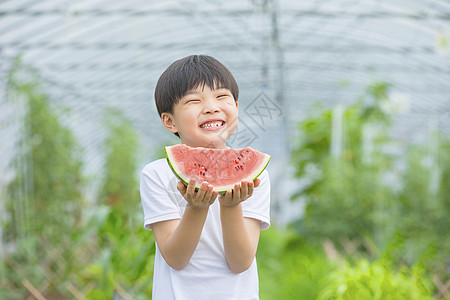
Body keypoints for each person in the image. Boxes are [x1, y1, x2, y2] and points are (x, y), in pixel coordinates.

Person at [140, 55, 271, 300]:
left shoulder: (256, 176)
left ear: (237, 108)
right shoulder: (156, 175)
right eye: (194, 100)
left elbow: (241, 262)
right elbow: (176, 259)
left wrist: (231, 206)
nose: (211, 107)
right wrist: (196, 208)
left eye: (222, 96)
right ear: (170, 121)